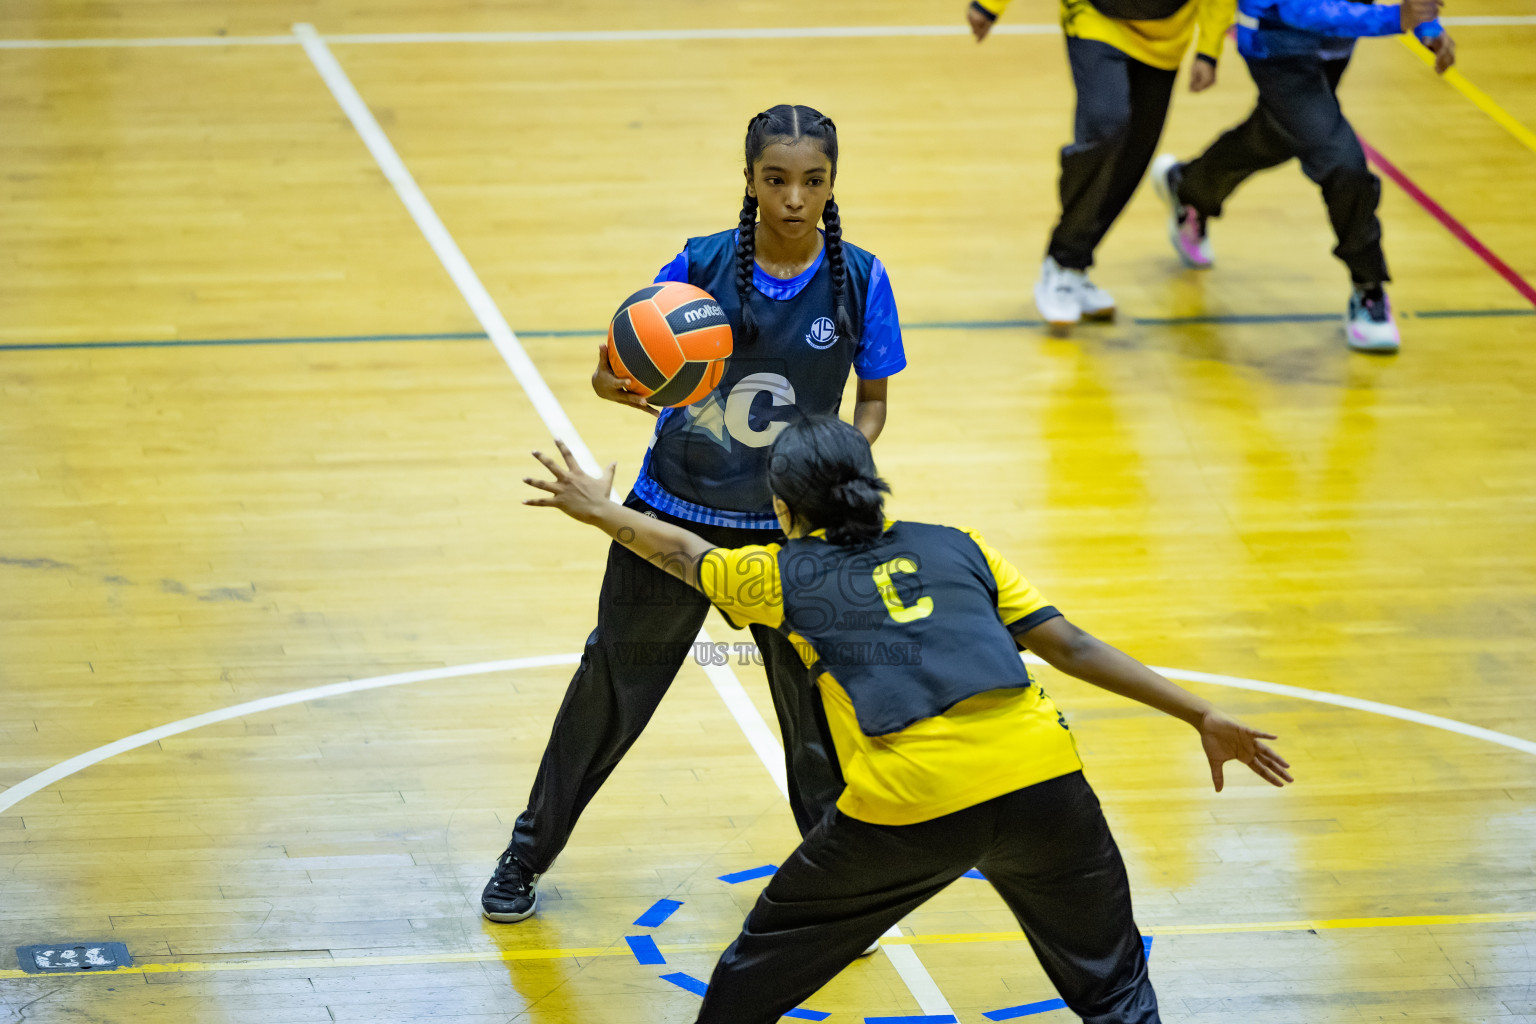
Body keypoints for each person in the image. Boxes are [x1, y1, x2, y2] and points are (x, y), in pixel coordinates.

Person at [521, 416, 1294, 1024]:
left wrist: (599, 511)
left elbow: (686, 553)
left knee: (748, 985)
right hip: (1046, 787)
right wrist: (1200, 713)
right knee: (1117, 991)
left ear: (781, 507)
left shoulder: (780, 574)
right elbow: (1073, 646)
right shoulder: (961, 547)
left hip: (908, 806)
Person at [480, 105, 908, 925]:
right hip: (673, 513)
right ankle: (526, 855)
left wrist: (844, 465)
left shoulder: (861, 277)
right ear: (748, 181)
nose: (793, 198)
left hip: (791, 532)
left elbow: (875, 402)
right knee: (608, 693)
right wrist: (636, 385)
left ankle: (834, 895)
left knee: (817, 720)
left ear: (831, 184)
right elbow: (611, 376)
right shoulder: (698, 262)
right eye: (775, 180)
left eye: (812, 181)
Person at [1149, 0, 1453, 354]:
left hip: (1334, 45)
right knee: (1341, 162)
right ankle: (1368, 290)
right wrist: (1396, 18)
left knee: (1275, 136)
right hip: (1277, 46)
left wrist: (1426, 25)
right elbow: (1298, 10)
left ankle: (1188, 187)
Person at [966, 0, 1236, 328]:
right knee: (1106, 126)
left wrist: (1209, 49)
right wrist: (990, 5)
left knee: (1133, 156)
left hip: (1166, 39)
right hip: (1095, 15)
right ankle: (1063, 262)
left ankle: (1073, 264)